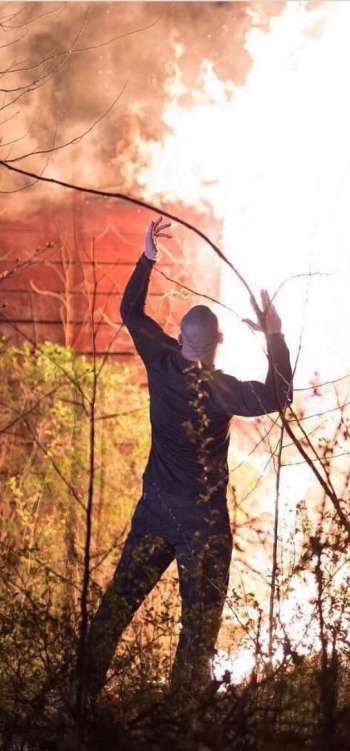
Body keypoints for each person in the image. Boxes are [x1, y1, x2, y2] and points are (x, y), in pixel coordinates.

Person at [85, 216, 292, 701]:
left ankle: (78, 697)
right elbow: (278, 394)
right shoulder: (222, 391)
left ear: (180, 339)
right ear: (218, 345)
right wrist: (274, 336)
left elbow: (132, 313)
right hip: (203, 525)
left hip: (156, 514)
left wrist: (148, 256)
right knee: (197, 635)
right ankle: (181, 722)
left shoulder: (161, 363)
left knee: (116, 609)